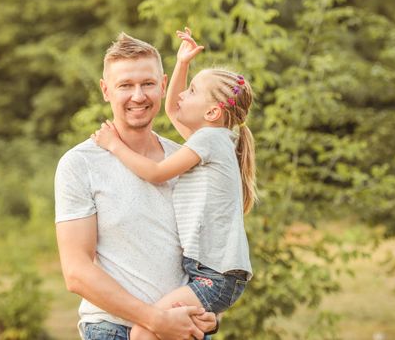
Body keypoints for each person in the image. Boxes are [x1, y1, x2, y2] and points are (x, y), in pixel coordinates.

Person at [92, 28, 255, 340]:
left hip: (215, 276)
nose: (182, 95)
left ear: (212, 111)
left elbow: (155, 173)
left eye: (192, 91)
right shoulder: (212, 137)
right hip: (208, 273)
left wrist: (114, 145)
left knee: (143, 333)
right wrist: (182, 64)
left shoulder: (208, 139)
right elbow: (171, 109)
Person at [54, 31, 218, 340]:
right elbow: (76, 272)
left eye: (147, 84)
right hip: (112, 330)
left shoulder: (185, 159)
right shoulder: (80, 164)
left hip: (185, 329)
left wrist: (211, 313)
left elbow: (208, 255)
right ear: (106, 90)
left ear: (164, 85)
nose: (138, 96)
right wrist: (155, 320)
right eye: (125, 85)